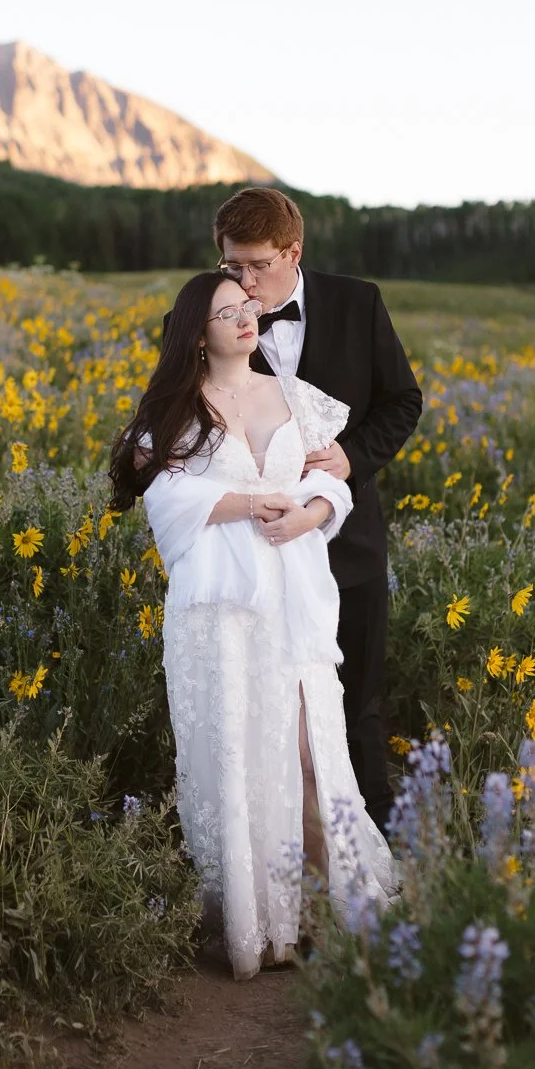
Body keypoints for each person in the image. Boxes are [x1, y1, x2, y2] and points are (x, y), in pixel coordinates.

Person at [110, 272, 398, 978]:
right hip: (222, 609)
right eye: (226, 312)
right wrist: (245, 502)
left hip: (294, 595)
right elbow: (166, 503)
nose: (246, 319)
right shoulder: (176, 407)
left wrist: (314, 511)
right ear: (196, 332)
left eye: (248, 308)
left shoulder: (295, 396)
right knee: (242, 750)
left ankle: (342, 912)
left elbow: (332, 477)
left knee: (309, 749)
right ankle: (267, 923)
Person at [211, 187, 423, 832]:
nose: (244, 285)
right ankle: (278, 849)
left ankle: (379, 843)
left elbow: (402, 402)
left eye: (257, 266)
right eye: (231, 267)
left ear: (293, 251)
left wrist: (351, 460)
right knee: (263, 708)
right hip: (254, 553)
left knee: (358, 703)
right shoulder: (200, 318)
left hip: (349, 547)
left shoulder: (359, 303)